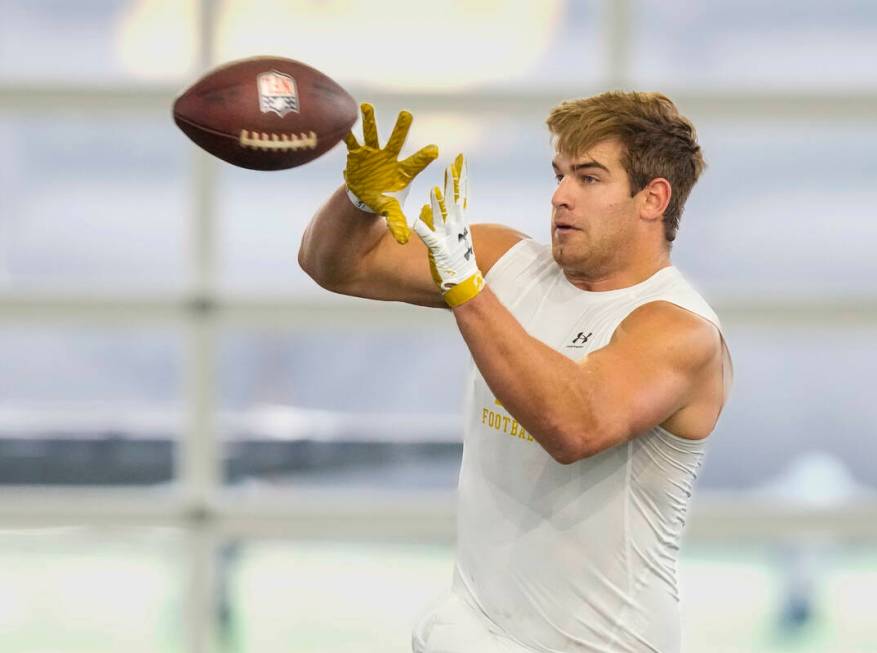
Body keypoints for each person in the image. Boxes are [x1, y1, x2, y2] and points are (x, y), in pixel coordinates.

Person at [298, 91, 732, 653]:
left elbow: (574, 426)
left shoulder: (678, 329)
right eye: (559, 175)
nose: (560, 196)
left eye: (589, 178)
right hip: (482, 631)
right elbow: (336, 266)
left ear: (652, 198)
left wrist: (468, 292)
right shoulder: (505, 260)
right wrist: (357, 201)